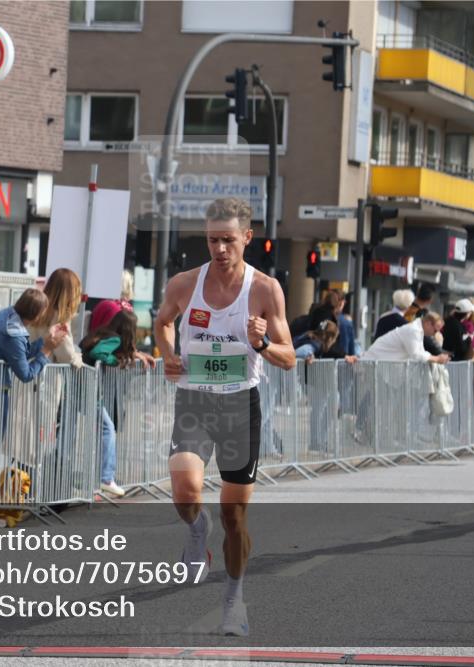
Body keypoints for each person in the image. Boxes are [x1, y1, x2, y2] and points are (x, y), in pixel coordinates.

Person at [153, 197, 296, 637]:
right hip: (194, 401)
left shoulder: (265, 289)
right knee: (185, 490)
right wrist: (169, 353)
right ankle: (197, 530)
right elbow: (162, 322)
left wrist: (261, 345)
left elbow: (289, 357)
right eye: (213, 239)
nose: (219, 249)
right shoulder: (185, 283)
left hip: (239, 406)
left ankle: (234, 602)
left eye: (228, 240)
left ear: (247, 238)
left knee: (234, 517)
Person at [0, 289, 68, 510]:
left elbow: (19, 353)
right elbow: (25, 373)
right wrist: (47, 351)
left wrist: (45, 340)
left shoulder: (5, 316)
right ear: (37, 313)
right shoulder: (13, 333)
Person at [80, 309, 146, 497]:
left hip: (82, 387)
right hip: (88, 390)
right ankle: (106, 478)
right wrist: (115, 361)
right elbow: (98, 353)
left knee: (99, 430)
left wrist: (133, 355)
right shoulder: (115, 339)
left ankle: (99, 480)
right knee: (108, 429)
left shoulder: (103, 333)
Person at [361, 313, 450, 364]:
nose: (435, 334)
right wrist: (437, 359)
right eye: (435, 330)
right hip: (371, 363)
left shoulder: (416, 330)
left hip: (375, 364)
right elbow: (416, 355)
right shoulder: (414, 330)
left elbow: (420, 353)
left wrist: (436, 358)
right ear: (428, 323)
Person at [293, 320, 357, 363]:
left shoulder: (309, 338)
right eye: (335, 339)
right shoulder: (312, 346)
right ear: (330, 339)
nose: (334, 342)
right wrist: (307, 356)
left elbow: (331, 351)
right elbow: (297, 354)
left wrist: (344, 356)